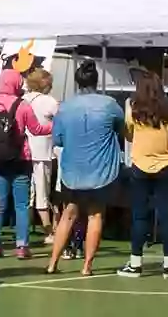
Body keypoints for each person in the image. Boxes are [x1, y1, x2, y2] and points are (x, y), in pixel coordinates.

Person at [46, 61, 124, 276]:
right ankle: (87, 266)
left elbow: (58, 140)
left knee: (68, 214)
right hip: (102, 170)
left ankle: (53, 263)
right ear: (96, 81)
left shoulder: (65, 107)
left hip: (73, 170)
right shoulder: (110, 105)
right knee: (95, 215)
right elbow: (121, 129)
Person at [119, 73, 168, 278]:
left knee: (139, 215)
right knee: (165, 214)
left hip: (140, 166)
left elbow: (127, 133)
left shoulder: (133, 108)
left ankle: (136, 263)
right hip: (165, 165)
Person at [0, 69, 33, 259]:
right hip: (20, 158)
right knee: (21, 205)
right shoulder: (23, 105)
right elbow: (37, 129)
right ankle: (22, 246)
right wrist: (53, 125)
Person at [17, 68, 57, 247]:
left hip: (23, 152)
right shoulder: (49, 102)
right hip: (43, 152)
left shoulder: (23, 100)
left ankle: (25, 234)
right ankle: (50, 231)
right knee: (43, 193)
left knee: (28, 196)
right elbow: (61, 121)